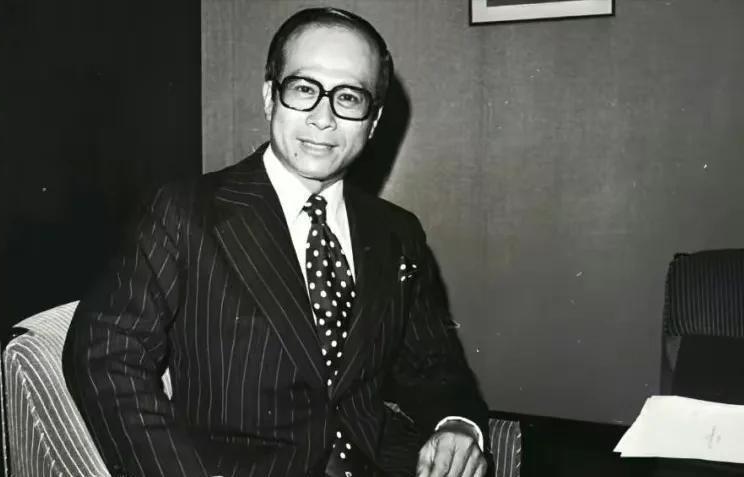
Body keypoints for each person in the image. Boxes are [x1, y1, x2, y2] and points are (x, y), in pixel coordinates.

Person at [63, 7, 488, 477]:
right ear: (270, 97)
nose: (323, 118)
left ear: (373, 120)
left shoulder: (398, 233)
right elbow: (105, 355)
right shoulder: (184, 213)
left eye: (349, 98)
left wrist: (458, 424)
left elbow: (434, 365)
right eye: (304, 89)